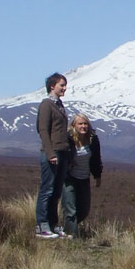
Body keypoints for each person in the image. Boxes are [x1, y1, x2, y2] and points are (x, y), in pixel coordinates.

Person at [36, 72, 70, 239]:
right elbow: (43, 129)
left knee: (56, 191)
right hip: (52, 153)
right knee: (47, 190)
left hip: (62, 153)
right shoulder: (46, 105)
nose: (64, 88)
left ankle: (53, 224)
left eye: (65, 85)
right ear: (52, 86)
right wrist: (50, 153)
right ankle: (42, 225)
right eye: (61, 85)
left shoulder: (59, 105)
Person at [63, 113, 103, 239]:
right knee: (71, 210)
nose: (83, 126)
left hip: (84, 178)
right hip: (69, 178)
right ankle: (71, 238)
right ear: (74, 125)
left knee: (84, 210)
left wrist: (97, 175)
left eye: (85, 124)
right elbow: (63, 156)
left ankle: (66, 228)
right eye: (80, 124)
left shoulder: (92, 139)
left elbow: (96, 159)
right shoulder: (68, 139)